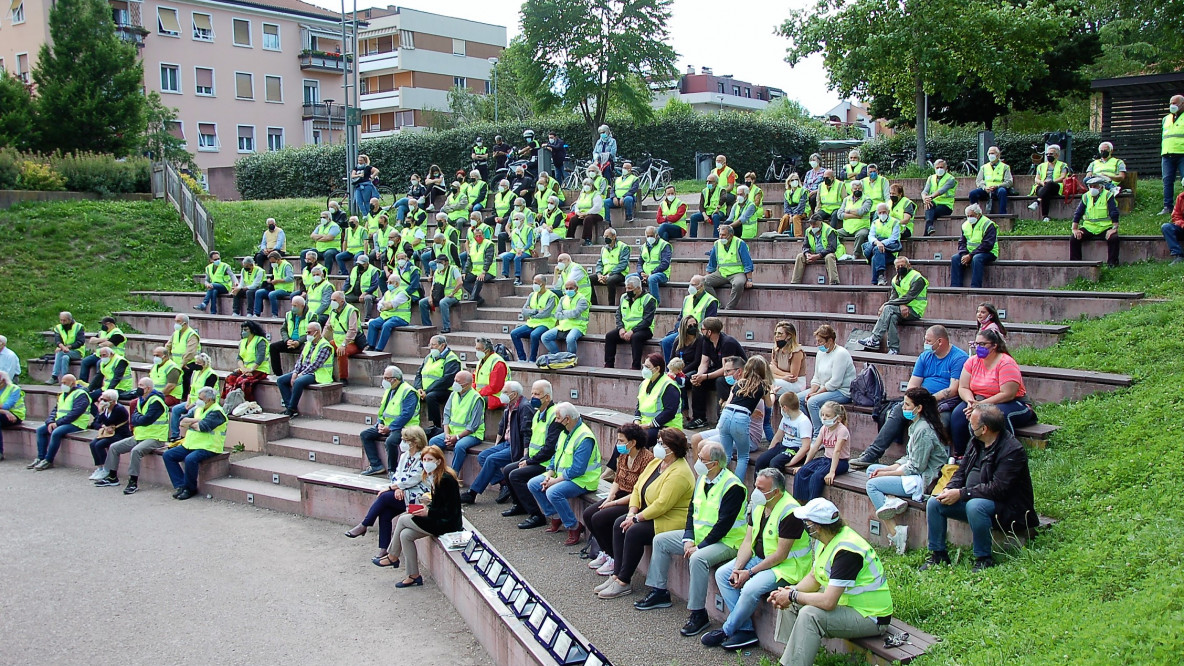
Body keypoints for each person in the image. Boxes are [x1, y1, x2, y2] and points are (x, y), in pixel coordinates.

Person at [768, 498, 894, 666]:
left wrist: (792, 595)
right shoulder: (826, 540)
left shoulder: (847, 551)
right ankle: (792, 655)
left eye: (806, 522)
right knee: (791, 601)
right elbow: (814, 577)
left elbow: (828, 602)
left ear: (816, 526)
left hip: (871, 616)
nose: (804, 526)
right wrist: (789, 592)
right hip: (848, 603)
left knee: (809, 615)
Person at [636, 441, 746, 631]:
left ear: (716, 463)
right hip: (700, 537)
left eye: (703, 459)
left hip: (727, 542)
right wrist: (688, 538)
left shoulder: (733, 487)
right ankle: (659, 591)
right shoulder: (703, 479)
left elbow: (724, 525)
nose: (698, 462)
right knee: (660, 540)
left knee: (698, 559)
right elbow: (691, 512)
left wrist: (699, 546)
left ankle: (698, 613)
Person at [703, 468, 810, 651]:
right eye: (755, 486)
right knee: (723, 574)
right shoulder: (760, 505)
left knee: (750, 589)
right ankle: (746, 631)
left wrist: (749, 572)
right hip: (761, 559)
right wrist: (738, 568)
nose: (755, 491)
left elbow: (780, 555)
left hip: (787, 567)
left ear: (776, 491)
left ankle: (727, 630)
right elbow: (747, 541)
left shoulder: (791, 512)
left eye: (761, 488)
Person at [923, 404, 1037, 572]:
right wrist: (949, 490)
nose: (968, 424)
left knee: (975, 506)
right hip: (974, 497)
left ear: (984, 429)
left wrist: (961, 494)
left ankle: (983, 558)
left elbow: (999, 489)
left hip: (1009, 508)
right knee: (935, 503)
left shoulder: (1012, 451)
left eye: (972, 423)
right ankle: (938, 554)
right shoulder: (976, 441)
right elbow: (961, 473)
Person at [850, 325, 969, 469]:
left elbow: (953, 389)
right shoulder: (925, 356)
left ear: (940, 341)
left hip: (944, 404)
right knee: (898, 410)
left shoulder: (958, 358)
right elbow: (913, 384)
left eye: (928, 341)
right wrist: (914, 400)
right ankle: (872, 454)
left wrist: (929, 401)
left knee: (940, 423)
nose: (925, 343)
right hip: (920, 400)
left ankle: (927, 463)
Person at [596, 428, 694, 598]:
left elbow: (662, 505)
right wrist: (630, 513)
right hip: (650, 513)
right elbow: (637, 488)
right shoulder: (657, 462)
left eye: (662, 443)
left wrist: (636, 518)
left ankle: (623, 581)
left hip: (669, 520)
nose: (657, 446)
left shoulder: (680, 472)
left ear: (672, 447)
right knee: (620, 523)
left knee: (634, 531)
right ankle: (616, 574)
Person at [864, 387, 949, 555]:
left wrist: (886, 474)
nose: (903, 408)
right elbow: (907, 458)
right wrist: (888, 468)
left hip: (922, 479)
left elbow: (916, 467)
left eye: (907, 405)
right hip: (913, 472)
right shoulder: (915, 425)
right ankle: (891, 500)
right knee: (872, 469)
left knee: (872, 485)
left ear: (919, 408)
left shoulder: (924, 430)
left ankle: (895, 532)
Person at [346, 425, 432, 563]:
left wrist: (393, 488)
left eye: (406, 440)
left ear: (415, 442)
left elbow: (413, 478)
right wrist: (397, 487)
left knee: (384, 497)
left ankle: (365, 524)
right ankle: (383, 549)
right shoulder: (405, 456)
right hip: (404, 491)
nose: (402, 442)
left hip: (418, 494)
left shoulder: (423, 457)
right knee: (385, 512)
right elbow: (398, 474)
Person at [385, 444, 464, 588]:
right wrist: (426, 508)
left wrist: (428, 512)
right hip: (438, 518)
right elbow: (439, 504)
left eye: (430, 459)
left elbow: (450, 510)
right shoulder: (435, 476)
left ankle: (392, 556)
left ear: (439, 461)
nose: (426, 462)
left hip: (447, 523)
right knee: (405, 535)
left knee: (403, 519)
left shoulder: (446, 479)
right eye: (424, 459)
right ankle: (413, 575)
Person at [950, 329, 1036, 457]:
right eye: (976, 344)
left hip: (1012, 402)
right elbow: (963, 387)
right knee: (958, 414)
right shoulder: (972, 361)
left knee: (997, 415)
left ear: (994, 345)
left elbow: (1008, 393)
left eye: (982, 344)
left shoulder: (1006, 363)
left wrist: (981, 405)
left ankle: (1005, 454)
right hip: (978, 400)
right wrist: (970, 402)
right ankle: (961, 456)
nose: (978, 348)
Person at [528, 402, 604, 545]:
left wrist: (554, 482)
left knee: (553, 492)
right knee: (533, 484)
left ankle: (574, 526)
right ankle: (556, 516)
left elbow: (578, 469)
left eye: (557, 418)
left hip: (583, 480)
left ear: (567, 419)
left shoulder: (585, 437)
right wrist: (550, 473)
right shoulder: (565, 432)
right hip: (563, 476)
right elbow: (556, 456)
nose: (556, 421)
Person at [585, 424, 655, 574]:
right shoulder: (623, 455)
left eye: (621, 441)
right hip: (620, 494)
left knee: (599, 518)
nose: (619, 444)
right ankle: (605, 551)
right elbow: (617, 479)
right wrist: (610, 497)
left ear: (633, 442)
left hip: (634, 501)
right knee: (588, 514)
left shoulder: (647, 459)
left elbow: (640, 491)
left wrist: (614, 503)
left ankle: (614, 558)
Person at [460, 382, 532, 504]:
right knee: (483, 456)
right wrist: (497, 445)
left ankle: (472, 493)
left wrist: (525, 454)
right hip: (506, 443)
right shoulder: (509, 406)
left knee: (491, 459)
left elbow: (527, 433)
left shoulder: (524, 407)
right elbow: (501, 426)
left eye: (505, 392)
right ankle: (504, 483)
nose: (501, 394)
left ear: (514, 394)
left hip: (516, 447)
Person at [92, 377, 165, 493]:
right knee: (114, 447)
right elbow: (135, 419)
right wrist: (138, 419)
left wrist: (138, 419)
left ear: (148, 388)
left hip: (156, 438)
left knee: (136, 451)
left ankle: (133, 482)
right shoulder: (141, 399)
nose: (138, 388)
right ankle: (112, 477)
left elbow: (146, 419)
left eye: (141, 386)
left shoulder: (156, 402)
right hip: (140, 436)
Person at [505, 380, 562, 525]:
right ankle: (520, 506)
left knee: (515, 475)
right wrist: (525, 458)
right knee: (507, 470)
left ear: (547, 397)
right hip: (535, 459)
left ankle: (537, 515)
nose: (533, 397)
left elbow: (549, 449)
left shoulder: (554, 416)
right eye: (532, 393)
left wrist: (529, 461)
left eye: (537, 394)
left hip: (546, 463)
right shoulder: (537, 414)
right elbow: (532, 442)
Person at [715, 355, 773, 482]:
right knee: (743, 457)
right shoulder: (763, 386)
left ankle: (718, 482)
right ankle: (737, 488)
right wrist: (772, 393)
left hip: (726, 415)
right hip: (741, 419)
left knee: (726, 455)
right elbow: (769, 404)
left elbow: (728, 404)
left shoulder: (739, 383)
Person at [163, 386, 226, 500]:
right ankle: (181, 485)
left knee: (190, 459)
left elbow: (202, 427)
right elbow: (181, 421)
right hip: (191, 444)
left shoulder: (217, 412)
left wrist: (193, 423)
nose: (198, 400)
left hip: (209, 446)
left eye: (201, 398)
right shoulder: (198, 409)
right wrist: (197, 421)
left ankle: (190, 488)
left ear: (209, 400)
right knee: (168, 455)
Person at [858, 256, 928, 354]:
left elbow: (908, 297)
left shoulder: (917, 278)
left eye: (902, 265)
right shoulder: (895, 279)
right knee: (892, 317)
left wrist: (886, 304)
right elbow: (893, 297)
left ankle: (874, 338)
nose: (900, 268)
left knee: (888, 308)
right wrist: (900, 305)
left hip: (915, 310)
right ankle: (894, 349)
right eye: (898, 266)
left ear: (909, 265)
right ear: (895, 268)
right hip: (901, 309)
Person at [359, 366, 420, 477]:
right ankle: (376, 465)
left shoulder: (409, 392)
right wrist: (380, 423)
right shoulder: (389, 390)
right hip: (387, 425)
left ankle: (393, 470)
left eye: (387, 378)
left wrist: (390, 427)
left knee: (390, 442)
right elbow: (383, 411)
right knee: (365, 435)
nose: (384, 380)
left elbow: (406, 415)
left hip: (405, 427)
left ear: (395, 379)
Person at [689, 317, 747, 430]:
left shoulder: (727, 342)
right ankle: (699, 418)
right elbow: (704, 362)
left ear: (709, 331)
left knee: (720, 381)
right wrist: (699, 375)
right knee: (698, 382)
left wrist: (705, 376)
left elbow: (726, 369)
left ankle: (722, 417)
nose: (701, 331)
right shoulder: (707, 341)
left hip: (735, 373)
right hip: (720, 370)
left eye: (703, 329)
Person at [785, 401, 850, 502]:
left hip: (840, 462)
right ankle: (799, 501)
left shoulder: (842, 430)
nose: (824, 418)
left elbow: (837, 451)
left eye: (828, 416)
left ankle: (812, 504)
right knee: (802, 472)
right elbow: (815, 447)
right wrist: (805, 465)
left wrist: (832, 472)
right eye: (822, 415)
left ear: (838, 418)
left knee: (816, 476)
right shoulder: (824, 428)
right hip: (826, 459)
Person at [797, 325, 854, 435]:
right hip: (824, 388)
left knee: (812, 402)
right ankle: (808, 429)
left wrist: (816, 394)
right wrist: (812, 391)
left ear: (830, 340)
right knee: (797, 399)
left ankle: (819, 435)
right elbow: (816, 377)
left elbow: (835, 382)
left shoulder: (841, 354)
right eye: (817, 341)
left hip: (841, 391)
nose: (818, 344)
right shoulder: (820, 353)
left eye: (820, 341)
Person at [276, 321, 333, 418]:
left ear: (317, 332)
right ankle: (289, 406)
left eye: (309, 332)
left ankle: (292, 409)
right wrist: (295, 372)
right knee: (281, 380)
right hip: (303, 372)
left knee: (298, 382)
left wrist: (300, 374)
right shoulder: (308, 344)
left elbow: (316, 365)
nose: (307, 335)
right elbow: (300, 360)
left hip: (317, 374)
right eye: (307, 332)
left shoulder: (325, 346)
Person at [658, 275, 717, 362]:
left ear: (702, 286)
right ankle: (670, 369)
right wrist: (679, 328)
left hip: (698, 333)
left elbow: (710, 324)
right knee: (666, 342)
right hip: (684, 332)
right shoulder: (687, 299)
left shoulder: (711, 301)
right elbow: (680, 317)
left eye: (694, 285)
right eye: (690, 284)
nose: (691, 287)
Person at [754, 391, 813, 473]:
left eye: (781, 407)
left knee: (775, 463)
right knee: (761, 460)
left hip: (794, 449)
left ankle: (776, 485)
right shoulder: (786, 417)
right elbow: (778, 437)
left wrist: (792, 462)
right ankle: (758, 484)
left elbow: (806, 446)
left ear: (785, 408)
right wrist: (769, 451)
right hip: (783, 446)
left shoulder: (803, 421)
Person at [605, 276, 656, 370]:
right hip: (625, 329)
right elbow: (618, 314)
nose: (627, 290)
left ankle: (635, 366)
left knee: (636, 338)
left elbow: (647, 321)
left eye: (630, 288)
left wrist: (632, 331)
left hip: (643, 329)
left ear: (638, 288)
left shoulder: (649, 299)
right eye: (626, 288)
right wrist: (620, 328)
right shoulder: (624, 297)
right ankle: (608, 365)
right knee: (610, 336)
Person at [413, 335, 461, 433]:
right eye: (430, 345)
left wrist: (427, 391)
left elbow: (446, 380)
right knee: (410, 394)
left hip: (446, 390)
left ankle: (436, 426)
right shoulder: (428, 357)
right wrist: (419, 388)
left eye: (433, 345)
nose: (431, 347)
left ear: (442, 345)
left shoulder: (451, 359)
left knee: (431, 397)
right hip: (426, 389)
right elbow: (419, 374)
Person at [1070, 176, 1121, 267]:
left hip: (1104, 227)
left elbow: (1114, 212)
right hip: (1089, 227)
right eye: (1091, 186)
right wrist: (1074, 228)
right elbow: (1078, 213)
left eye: (1095, 186)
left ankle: (1112, 264)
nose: (1093, 189)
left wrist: (1114, 228)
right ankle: (1075, 264)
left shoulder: (1108, 195)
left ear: (1101, 187)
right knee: (1074, 238)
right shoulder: (1086, 196)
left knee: (1114, 239)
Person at [633, 353, 682, 446]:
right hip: (646, 425)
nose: (644, 369)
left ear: (657, 369)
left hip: (667, 426)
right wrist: (636, 422)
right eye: (644, 366)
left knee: (638, 439)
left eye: (647, 367)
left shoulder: (669, 385)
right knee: (625, 435)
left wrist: (649, 425)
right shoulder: (644, 384)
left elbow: (670, 412)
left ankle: (642, 460)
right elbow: (639, 405)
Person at [167, 352, 218, 442]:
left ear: (205, 364)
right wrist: (188, 402)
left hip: (204, 402)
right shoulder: (195, 373)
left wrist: (191, 405)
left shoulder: (211, 375)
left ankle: (190, 436)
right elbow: (191, 390)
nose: (196, 365)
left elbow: (205, 395)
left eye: (199, 363)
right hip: (193, 401)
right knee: (176, 409)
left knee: (190, 412)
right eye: (196, 363)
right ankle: (175, 435)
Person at [704, 224, 754, 311]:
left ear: (730, 235)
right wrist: (707, 276)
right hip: (721, 273)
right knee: (702, 282)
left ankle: (729, 308)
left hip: (737, 273)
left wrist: (749, 279)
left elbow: (747, 262)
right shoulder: (716, 244)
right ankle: (717, 305)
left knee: (738, 284)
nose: (721, 237)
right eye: (720, 234)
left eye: (723, 235)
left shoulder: (739, 243)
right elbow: (712, 263)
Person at [85, 389, 130, 481]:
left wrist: (101, 413)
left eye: (105, 400)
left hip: (120, 434)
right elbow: (95, 423)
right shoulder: (104, 409)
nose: (102, 402)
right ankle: (100, 468)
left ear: (113, 401)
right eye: (101, 399)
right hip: (107, 434)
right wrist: (103, 426)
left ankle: (107, 469)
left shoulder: (119, 409)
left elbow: (109, 421)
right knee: (93, 444)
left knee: (99, 445)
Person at [949, 204, 998, 288]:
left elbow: (987, 245)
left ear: (978, 215)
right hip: (969, 252)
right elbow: (962, 242)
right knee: (955, 258)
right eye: (967, 216)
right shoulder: (965, 225)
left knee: (977, 259)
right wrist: (964, 254)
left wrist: (971, 256)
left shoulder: (988, 224)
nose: (969, 218)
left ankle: (976, 287)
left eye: (971, 216)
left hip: (988, 252)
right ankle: (955, 287)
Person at [512, 275, 558, 363]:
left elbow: (545, 313)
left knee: (534, 335)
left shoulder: (551, 296)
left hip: (546, 323)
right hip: (531, 323)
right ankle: (522, 358)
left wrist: (531, 312)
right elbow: (523, 311)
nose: (534, 285)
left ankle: (532, 359)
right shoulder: (532, 295)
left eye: (536, 283)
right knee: (514, 333)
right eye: (533, 283)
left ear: (543, 284)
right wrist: (536, 311)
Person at [790, 215, 844, 285]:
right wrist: (807, 253)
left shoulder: (829, 230)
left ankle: (834, 282)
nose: (812, 226)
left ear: (820, 222)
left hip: (829, 252)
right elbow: (805, 246)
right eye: (811, 223)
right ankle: (795, 282)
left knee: (829, 257)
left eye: (814, 224)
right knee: (800, 256)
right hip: (815, 252)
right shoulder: (808, 231)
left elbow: (832, 248)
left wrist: (818, 256)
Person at [541, 279, 589, 357]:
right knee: (545, 337)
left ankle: (570, 358)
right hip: (563, 326)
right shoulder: (563, 299)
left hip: (578, 326)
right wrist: (567, 313)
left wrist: (563, 312)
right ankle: (558, 356)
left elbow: (575, 314)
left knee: (570, 339)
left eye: (571, 288)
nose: (568, 290)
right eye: (566, 288)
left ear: (576, 288)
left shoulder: (582, 299)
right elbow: (557, 314)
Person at [224, 320, 269, 402]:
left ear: (252, 330)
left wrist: (251, 369)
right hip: (245, 369)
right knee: (230, 378)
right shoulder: (242, 342)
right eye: (242, 330)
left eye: (246, 330)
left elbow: (260, 357)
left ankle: (247, 402)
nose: (243, 332)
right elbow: (239, 358)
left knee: (242, 381)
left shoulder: (260, 340)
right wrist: (243, 369)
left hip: (259, 369)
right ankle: (230, 401)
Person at [417, 255, 463, 334]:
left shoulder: (453, 269)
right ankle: (427, 326)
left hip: (452, 296)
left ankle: (446, 327)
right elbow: (433, 286)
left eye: (440, 262)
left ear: (446, 263)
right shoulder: (437, 272)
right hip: (438, 295)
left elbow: (460, 282)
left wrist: (452, 293)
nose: (438, 264)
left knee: (443, 303)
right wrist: (430, 297)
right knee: (422, 303)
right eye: (437, 262)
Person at [861, 203, 902, 285]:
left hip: (891, 251)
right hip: (879, 250)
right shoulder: (875, 223)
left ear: (888, 212)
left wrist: (881, 243)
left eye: (884, 212)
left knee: (876, 253)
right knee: (876, 254)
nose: (882, 214)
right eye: (880, 213)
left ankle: (877, 280)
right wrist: (877, 243)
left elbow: (894, 238)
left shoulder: (895, 222)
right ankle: (879, 278)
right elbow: (871, 236)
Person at [326, 291, 362, 383]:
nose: (332, 302)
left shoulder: (351, 310)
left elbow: (352, 330)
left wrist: (343, 344)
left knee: (342, 352)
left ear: (342, 301)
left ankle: (343, 378)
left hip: (352, 343)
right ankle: (328, 374)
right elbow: (327, 327)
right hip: (337, 341)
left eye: (334, 300)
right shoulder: (333, 311)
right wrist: (321, 340)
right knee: (325, 348)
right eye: (331, 300)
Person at [1029, 144, 1070, 223]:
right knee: (1045, 192)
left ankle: (1037, 202)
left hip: (1056, 186)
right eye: (1047, 154)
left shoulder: (1063, 165)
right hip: (1042, 186)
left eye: (1051, 154)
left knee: (1049, 185)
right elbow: (1036, 179)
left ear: (1057, 155)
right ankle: (1045, 216)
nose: (1048, 156)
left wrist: (1051, 182)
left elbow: (1063, 177)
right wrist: (1042, 182)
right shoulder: (1041, 166)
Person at [165, 313, 201, 401]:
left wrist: (182, 364)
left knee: (186, 379)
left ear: (184, 323)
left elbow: (190, 352)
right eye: (175, 321)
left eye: (178, 321)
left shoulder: (192, 334)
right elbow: (168, 346)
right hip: (176, 364)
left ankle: (185, 399)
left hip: (188, 363)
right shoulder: (176, 333)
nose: (176, 324)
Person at [78, 317, 125, 384]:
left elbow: (108, 344)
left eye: (104, 324)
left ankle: (98, 385)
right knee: (85, 361)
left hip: (112, 356)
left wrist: (100, 342)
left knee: (99, 364)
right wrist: (104, 339)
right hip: (99, 355)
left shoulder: (118, 334)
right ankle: (82, 383)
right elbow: (91, 340)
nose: (103, 326)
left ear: (111, 324)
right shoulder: (102, 332)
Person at [268, 296, 308, 376]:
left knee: (305, 349)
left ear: (302, 306)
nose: (293, 308)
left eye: (295, 306)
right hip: (290, 340)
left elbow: (312, 333)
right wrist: (287, 340)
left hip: (303, 342)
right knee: (273, 347)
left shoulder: (310, 315)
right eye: (292, 305)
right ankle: (278, 374)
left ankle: (301, 373)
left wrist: (298, 342)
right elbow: (283, 330)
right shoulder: (289, 314)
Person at [632, 226, 671, 304]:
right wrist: (641, 273)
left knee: (652, 279)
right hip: (645, 274)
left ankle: (655, 303)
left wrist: (650, 274)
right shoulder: (643, 247)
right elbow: (640, 263)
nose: (650, 238)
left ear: (656, 235)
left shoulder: (664, 245)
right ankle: (635, 301)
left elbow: (665, 264)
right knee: (629, 278)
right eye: (648, 236)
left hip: (661, 274)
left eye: (652, 236)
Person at [969, 146, 1013, 215]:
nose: (990, 155)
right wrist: (984, 187)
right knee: (973, 193)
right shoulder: (984, 167)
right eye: (989, 154)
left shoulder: (1005, 167)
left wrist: (998, 186)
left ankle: (1002, 214)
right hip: (986, 189)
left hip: (998, 189)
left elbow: (1009, 182)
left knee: (1002, 191)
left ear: (998, 155)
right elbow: (978, 181)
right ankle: (975, 213)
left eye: (992, 153)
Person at [833, 180, 872, 259]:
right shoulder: (846, 199)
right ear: (851, 190)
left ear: (862, 189)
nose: (857, 190)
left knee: (861, 235)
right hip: (847, 228)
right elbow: (839, 215)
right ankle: (838, 254)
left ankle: (855, 255)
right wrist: (855, 215)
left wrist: (848, 211)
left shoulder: (867, 199)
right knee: (833, 234)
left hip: (862, 227)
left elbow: (861, 211)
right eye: (855, 189)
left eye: (859, 188)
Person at [770, 321, 807, 397]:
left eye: (780, 334)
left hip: (797, 384)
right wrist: (783, 377)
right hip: (781, 379)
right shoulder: (776, 349)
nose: (776, 336)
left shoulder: (796, 352)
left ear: (789, 336)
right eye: (775, 333)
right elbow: (770, 371)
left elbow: (793, 377)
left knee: (767, 384)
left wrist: (776, 371)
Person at [920, 160, 957, 236]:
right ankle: (929, 227)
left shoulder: (951, 179)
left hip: (946, 206)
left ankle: (926, 233)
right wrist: (924, 198)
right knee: (929, 206)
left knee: (930, 212)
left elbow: (942, 190)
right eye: (937, 167)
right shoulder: (931, 178)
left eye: (941, 167)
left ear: (946, 168)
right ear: (934, 168)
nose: (939, 169)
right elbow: (925, 191)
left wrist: (929, 197)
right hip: (933, 202)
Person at [1161, 95, 1184, 215]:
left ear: (1182, 104)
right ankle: (1167, 207)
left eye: (1175, 103)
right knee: (1167, 181)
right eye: (1170, 103)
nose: (1172, 106)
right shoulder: (1166, 119)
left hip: (1182, 154)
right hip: (1167, 154)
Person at [462, 226, 496, 307]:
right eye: (476, 236)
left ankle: (472, 300)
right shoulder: (473, 245)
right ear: (474, 237)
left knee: (479, 279)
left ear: (483, 235)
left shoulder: (489, 244)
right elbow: (469, 260)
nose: (478, 237)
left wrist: (484, 272)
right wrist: (464, 272)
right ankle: (478, 299)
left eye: (480, 235)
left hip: (488, 272)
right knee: (463, 280)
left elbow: (488, 260)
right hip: (475, 271)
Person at [472, 337, 510, 410]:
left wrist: (477, 393)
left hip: (496, 398)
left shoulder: (498, 363)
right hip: (484, 395)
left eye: (479, 349)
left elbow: (495, 387)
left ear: (487, 350)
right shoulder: (481, 361)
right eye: (476, 348)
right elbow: (474, 379)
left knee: (472, 401)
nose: (477, 351)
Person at [567, 177, 605, 246]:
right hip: (582, 214)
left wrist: (586, 213)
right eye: (585, 184)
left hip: (596, 214)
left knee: (588, 219)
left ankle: (587, 239)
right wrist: (577, 212)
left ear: (592, 186)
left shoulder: (596, 194)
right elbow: (577, 205)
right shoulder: (582, 194)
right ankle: (570, 238)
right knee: (573, 219)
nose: (586, 186)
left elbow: (597, 207)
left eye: (588, 185)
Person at [342, 253, 381, 319]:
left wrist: (365, 293)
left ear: (367, 263)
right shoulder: (354, 269)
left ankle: (367, 317)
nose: (360, 265)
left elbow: (374, 285)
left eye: (362, 264)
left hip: (369, 293)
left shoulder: (373, 270)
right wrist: (343, 291)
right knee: (342, 298)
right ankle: (345, 316)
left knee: (368, 298)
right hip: (354, 293)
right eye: (359, 264)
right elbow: (348, 281)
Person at [499, 212, 535, 285]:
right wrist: (516, 249)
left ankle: (517, 277)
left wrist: (522, 250)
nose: (515, 221)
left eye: (517, 219)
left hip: (526, 251)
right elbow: (512, 243)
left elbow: (529, 243)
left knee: (517, 258)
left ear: (522, 220)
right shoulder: (514, 230)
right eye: (514, 219)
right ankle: (506, 275)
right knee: (505, 257)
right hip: (515, 250)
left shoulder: (528, 229)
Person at [49, 311, 84, 385]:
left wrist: (67, 347)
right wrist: (62, 347)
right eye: (61, 320)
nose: (62, 322)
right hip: (65, 351)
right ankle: (65, 379)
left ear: (70, 320)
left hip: (77, 351)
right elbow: (58, 340)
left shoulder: (78, 327)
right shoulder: (58, 328)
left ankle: (54, 376)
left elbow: (80, 342)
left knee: (60, 353)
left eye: (64, 320)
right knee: (65, 357)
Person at [193, 250, 234, 314]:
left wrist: (235, 285)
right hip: (214, 286)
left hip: (225, 286)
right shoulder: (208, 268)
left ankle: (204, 304)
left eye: (218, 258)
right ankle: (213, 311)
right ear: (211, 260)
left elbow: (232, 276)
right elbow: (207, 280)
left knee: (212, 286)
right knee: (214, 291)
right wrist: (207, 284)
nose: (217, 260)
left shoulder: (225, 266)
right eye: (215, 259)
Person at [257, 251, 295, 318]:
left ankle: (275, 314)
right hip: (276, 288)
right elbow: (275, 275)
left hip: (285, 289)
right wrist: (270, 279)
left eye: (273, 262)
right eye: (271, 262)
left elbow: (291, 278)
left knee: (272, 294)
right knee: (259, 292)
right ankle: (257, 313)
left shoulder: (286, 265)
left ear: (278, 259)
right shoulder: (275, 266)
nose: (272, 264)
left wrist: (278, 281)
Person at [0, 370, 25, 461]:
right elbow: (5, 409)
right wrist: (5, 412)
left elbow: (7, 406)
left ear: (3, 380)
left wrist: (5, 411)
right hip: (5, 414)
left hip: (15, 416)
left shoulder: (14, 389)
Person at [593, 124, 618, 189]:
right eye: (600, 133)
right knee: (593, 170)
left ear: (607, 131)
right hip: (598, 161)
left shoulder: (613, 141)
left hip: (609, 161)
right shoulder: (598, 142)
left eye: (603, 132)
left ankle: (608, 187)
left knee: (607, 170)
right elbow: (595, 152)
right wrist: (596, 158)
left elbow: (612, 153)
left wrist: (603, 156)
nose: (602, 134)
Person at [1165, 176, 1184, 263]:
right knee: (1166, 227)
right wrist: (1182, 224)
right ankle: (1178, 255)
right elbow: (1176, 216)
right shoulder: (1181, 197)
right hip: (1183, 228)